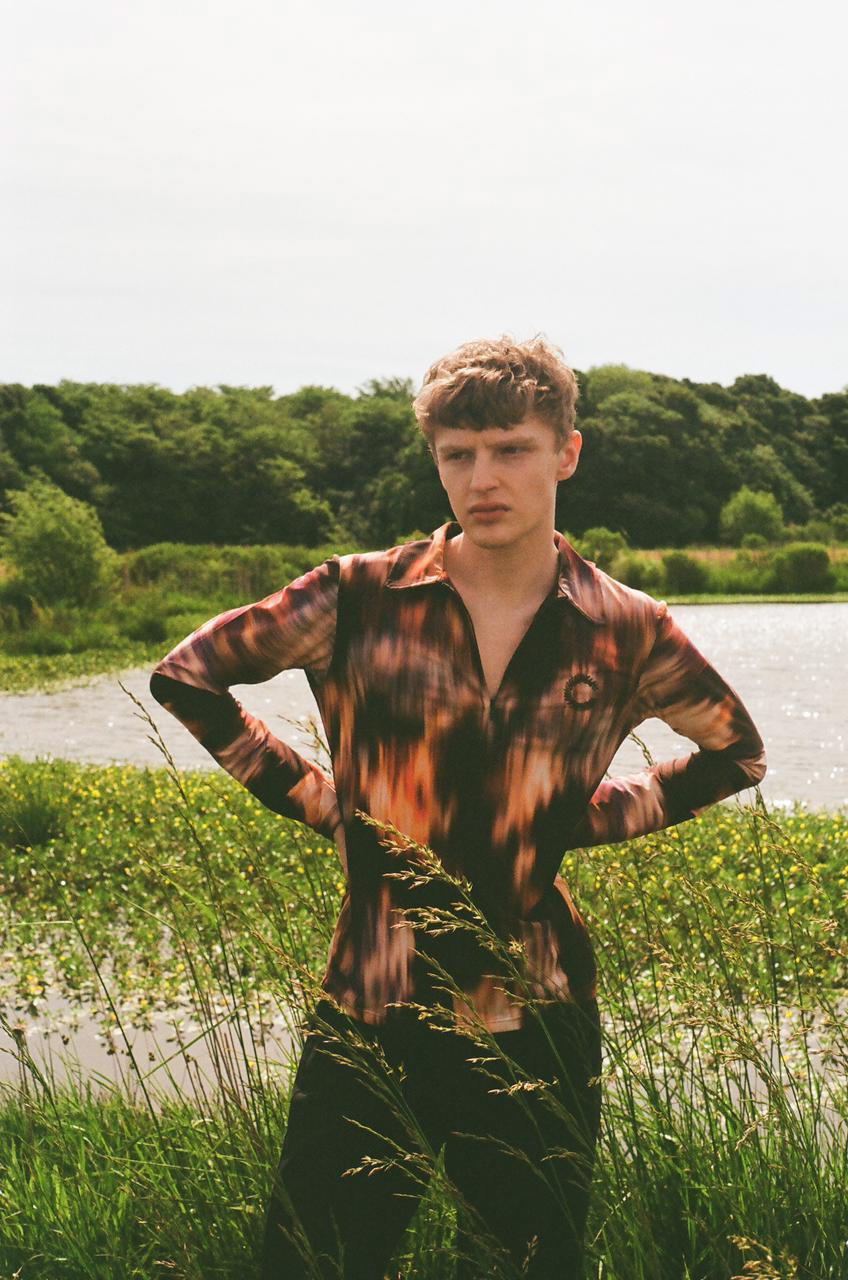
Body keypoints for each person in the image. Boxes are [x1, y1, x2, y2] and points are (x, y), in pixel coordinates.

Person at [149, 334, 767, 1279]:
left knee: (534, 1264)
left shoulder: (625, 627)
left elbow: (736, 752)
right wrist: (325, 805)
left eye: (511, 449)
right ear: (436, 460)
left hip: (540, 1009)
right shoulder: (357, 595)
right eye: (458, 454)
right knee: (314, 1264)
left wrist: (577, 817)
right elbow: (188, 677)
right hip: (372, 997)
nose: (484, 478)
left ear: (566, 452)